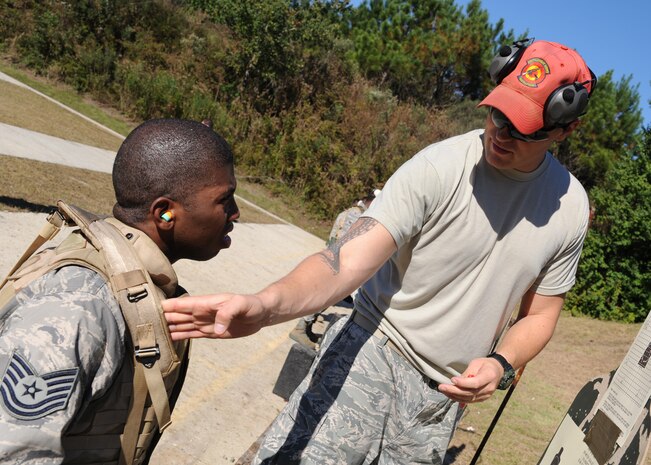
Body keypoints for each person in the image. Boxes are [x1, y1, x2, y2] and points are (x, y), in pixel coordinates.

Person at [163, 39, 595, 463]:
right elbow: (344, 260)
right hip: (370, 351)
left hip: (440, 401)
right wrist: (265, 305)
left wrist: (502, 363)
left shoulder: (570, 207)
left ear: (566, 128)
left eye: (522, 127)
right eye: (498, 113)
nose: (500, 132)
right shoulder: (439, 167)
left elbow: (540, 314)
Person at [0, 119, 240, 464]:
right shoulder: (80, 310)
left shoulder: (132, 284)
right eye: (225, 200)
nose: (235, 214)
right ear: (165, 213)